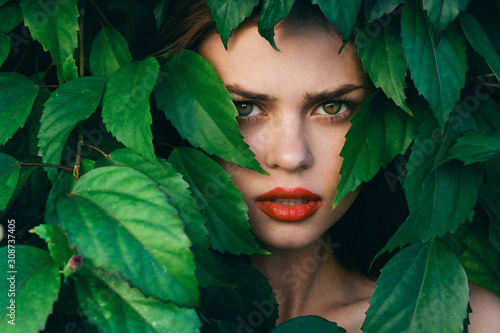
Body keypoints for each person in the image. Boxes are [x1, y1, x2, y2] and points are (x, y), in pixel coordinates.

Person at [157, 1, 500, 331]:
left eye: (332, 108)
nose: (291, 157)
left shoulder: (480, 324)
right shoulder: (122, 314)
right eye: (243, 109)